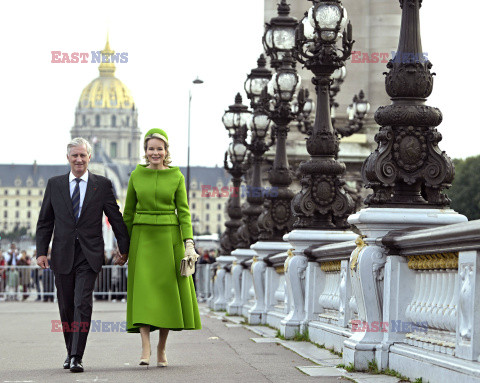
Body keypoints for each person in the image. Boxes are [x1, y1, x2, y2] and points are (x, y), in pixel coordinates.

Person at [36, 137, 130, 373]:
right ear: (68, 158)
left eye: (83, 155)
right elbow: (45, 221)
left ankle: (77, 356)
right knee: (66, 305)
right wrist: (40, 251)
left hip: (89, 254)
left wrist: (124, 247)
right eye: (74, 155)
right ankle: (70, 351)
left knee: (82, 303)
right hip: (62, 253)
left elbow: (116, 217)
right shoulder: (54, 184)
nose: (79, 159)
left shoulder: (103, 184)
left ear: (90, 157)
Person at [117, 128, 201, 368]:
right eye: (151, 149)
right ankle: (145, 347)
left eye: (159, 149)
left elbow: (183, 212)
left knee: (166, 295)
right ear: (145, 151)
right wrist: (123, 247)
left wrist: (189, 243)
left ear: (166, 151)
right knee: (143, 293)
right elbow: (128, 214)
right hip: (142, 239)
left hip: (168, 239)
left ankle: (161, 347)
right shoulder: (136, 175)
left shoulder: (177, 176)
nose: (155, 153)